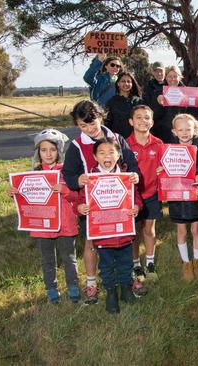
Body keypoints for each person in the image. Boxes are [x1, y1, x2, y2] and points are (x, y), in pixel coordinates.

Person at [62, 100, 140, 304]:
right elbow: (68, 174)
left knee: (126, 238)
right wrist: (77, 180)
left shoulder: (117, 139)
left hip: (119, 204)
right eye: (83, 126)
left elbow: (132, 165)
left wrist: (135, 176)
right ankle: (91, 283)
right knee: (91, 244)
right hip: (93, 207)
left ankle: (128, 279)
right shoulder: (77, 145)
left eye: (92, 123)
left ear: (101, 117)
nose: (89, 129)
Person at [7, 129, 80, 304]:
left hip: (66, 222)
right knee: (47, 258)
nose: (48, 154)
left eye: (53, 150)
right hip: (43, 225)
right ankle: (51, 288)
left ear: (59, 151)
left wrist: (65, 190)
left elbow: (77, 196)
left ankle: (73, 286)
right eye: (44, 150)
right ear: (38, 152)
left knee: (69, 257)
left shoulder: (67, 172)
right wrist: (15, 193)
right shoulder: (32, 174)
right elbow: (27, 199)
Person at [77, 138, 143, 314]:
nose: (107, 156)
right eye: (102, 153)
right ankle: (111, 293)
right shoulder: (89, 179)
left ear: (119, 155)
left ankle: (126, 290)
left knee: (126, 263)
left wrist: (137, 206)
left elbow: (135, 197)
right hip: (103, 235)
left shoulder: (126, 176)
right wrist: (81, 208)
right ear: (95, 156)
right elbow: (81, 200)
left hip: (124, 233)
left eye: (111, 152)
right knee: (106, 266)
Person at [159, 114, 198, 282]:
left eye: (188, 129)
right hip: (177, 197)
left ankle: (197, 260)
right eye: (180, 130)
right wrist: (160, 172)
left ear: (195, 130)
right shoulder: (169, 151)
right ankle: (186, 263)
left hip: (194, 195)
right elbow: (164, 171)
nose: (185, 133)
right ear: (174, 131)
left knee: (195, 230)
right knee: (181, 231)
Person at [126, 105, 163, 283]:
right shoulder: (124, 145)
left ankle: (149, 263)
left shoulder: (158, 144)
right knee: (133, 233)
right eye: (138, 118)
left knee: (149, 230)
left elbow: (165, 168)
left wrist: (163, 170)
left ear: (152, 122)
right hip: (133, 196)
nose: (143, 121)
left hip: (152, 193)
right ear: (131, 121)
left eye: (147, 118)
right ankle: (136, 265)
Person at [153, 65, 197, 143]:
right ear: (166, 77)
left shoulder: (188, 93)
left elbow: (193, 115)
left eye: (175, 76)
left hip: (183, 135)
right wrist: (159, 104)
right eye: (170, 76)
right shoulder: (158, 93)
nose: (172, 79)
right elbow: (154, 115)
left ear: (179, 77)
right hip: (163, 134)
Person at [105, 71, 143, 138]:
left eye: (129, 81)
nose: (126, 83)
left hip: (136, 140)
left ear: (132, 84)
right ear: (118, 83)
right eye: (123, 81)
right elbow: (107, 123)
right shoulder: (111, 102)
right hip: (118, 140)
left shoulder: (139, 102)